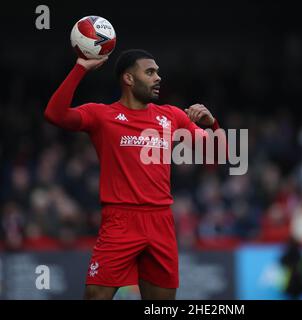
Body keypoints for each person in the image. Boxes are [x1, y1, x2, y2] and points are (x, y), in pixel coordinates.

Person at [44, 49, 226, 300]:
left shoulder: (172, 116)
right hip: (119, 221)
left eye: (158, 72)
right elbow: (54, 114)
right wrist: (80, 69)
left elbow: (219, 154)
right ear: (128, 79)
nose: (158, 77)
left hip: (160, 221)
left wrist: (212, 123)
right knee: (95, 296)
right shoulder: (101, 115)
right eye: (150, 72)